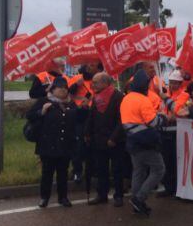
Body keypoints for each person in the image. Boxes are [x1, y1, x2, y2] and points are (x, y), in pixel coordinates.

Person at [26, 76, 84, 208]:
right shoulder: (44, 101)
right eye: (60, 88)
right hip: (48, 144)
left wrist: (84, 110)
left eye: (65, 88)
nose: (63, 91)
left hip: (65, 144)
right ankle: (44, 197)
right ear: (53, 89)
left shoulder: (70, 103)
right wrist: (42, 111)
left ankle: (63, 197)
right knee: (47, 173)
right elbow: (30, 116)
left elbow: (78, 119)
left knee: (62, 173)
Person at [121, 69, 167, 216]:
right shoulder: (143, 100)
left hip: (132, 141)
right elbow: (153, 122)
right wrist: (163, 117)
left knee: (138, 172)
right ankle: (139, 199)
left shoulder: (126, 98)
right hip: (146, 141)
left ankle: (136, 202)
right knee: (158, 170)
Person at [84, 72, 125, 207]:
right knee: (101, 169)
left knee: (117, 169)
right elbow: (92, 117)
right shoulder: (96, 98)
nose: (93, 85)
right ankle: (102, 194)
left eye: (95, 82)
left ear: (105, 83)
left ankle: (118, 195)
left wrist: (114, 137)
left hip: (115, 140)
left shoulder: (118, 96)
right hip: (99, 139)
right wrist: (87, 133)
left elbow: (122, 120)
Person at [158, 70, 190, 197]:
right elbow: (160, 111)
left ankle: (177, 188)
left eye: (176, 83)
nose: (173, 85)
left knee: (176, 162)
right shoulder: (164, 95)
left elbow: (176, 111)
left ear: (181, 83)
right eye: (171, 82)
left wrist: (167, 113)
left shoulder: (184, 95)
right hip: (164, 132)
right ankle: (168, 188)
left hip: (177, 132)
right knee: (166, 161)